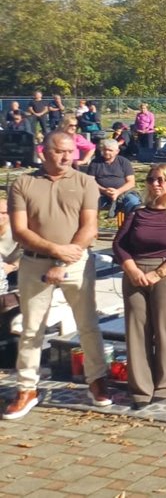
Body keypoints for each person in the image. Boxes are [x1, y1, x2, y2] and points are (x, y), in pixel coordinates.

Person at [4, 131, 112, 420]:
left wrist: (64, 259)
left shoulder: (85, 182)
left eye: (70, 151)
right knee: (31, 328)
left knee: (87, 324)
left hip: (75, 263)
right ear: (44, 151)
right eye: (60, 151)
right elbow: (20, 231)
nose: (66, 157)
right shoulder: (23, 183)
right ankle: (27, 389)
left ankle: (97, 379)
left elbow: (90, 227)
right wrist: (54, 250)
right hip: (34, 264)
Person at [112, 165, 166, 409]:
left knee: (165, 330)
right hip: (135, 273)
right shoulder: (137, 213)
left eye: (161, 180)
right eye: (151, 179)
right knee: (136, 330)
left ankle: (164, 385)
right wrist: (132, 269)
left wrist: (158, 273)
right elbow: (119, 244)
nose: (155, 184)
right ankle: (141, 388)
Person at [85, 139, 141, 218]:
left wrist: (118, 192)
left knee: (133, 202)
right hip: (101, 193)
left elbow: (131, 182)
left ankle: (129, 223)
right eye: (105, 150)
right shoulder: (95, 163)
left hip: (123, 193)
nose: (107, 152)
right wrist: (104, 190)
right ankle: (91, 223)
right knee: (89, 203)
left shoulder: (124, 162)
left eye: (110, 150)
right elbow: (90, 181)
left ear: (117, 151)